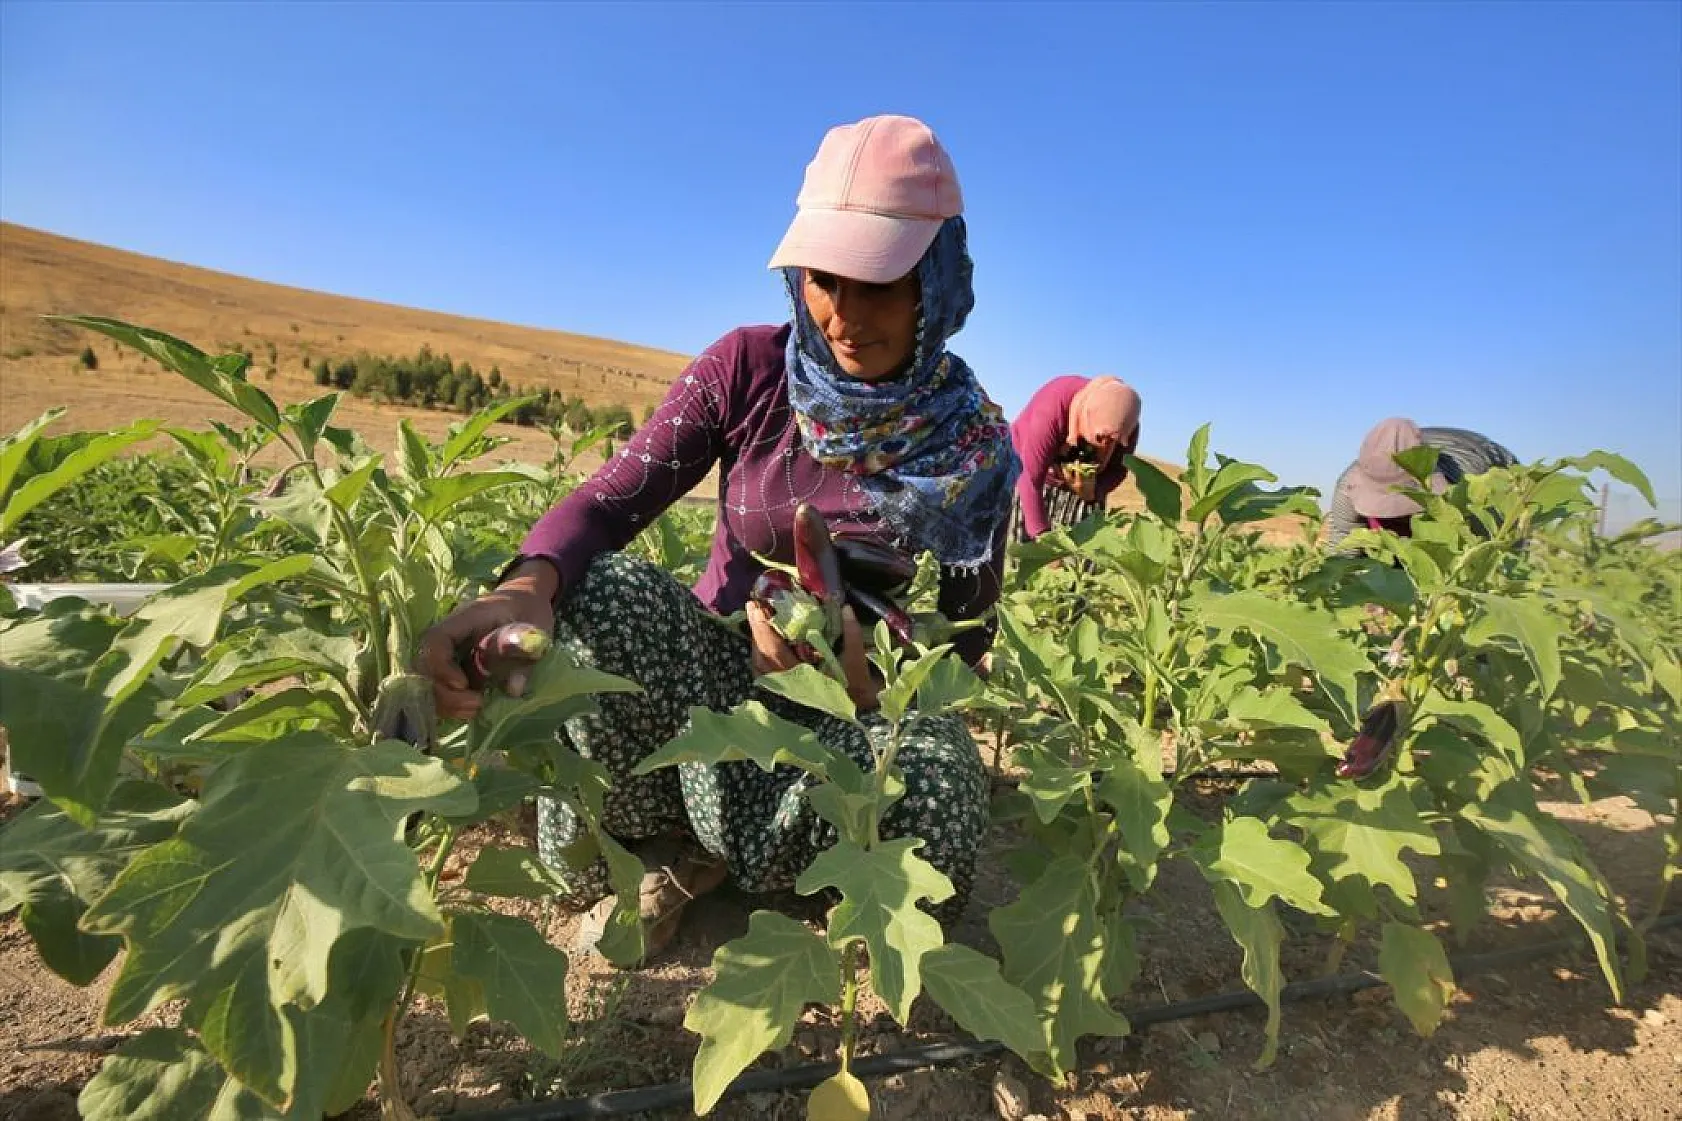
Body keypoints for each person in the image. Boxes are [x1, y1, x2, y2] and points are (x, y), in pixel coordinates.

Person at [417, 114, 1020, 964]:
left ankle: (724, 860)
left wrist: (875, 689)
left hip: (843, 721)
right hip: (700, 691)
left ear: (941, 280)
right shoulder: (748, 369)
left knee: (946, 796)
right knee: (599, 593)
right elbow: (609, 502)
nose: (844, 317)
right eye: (825, 278)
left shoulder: (973, 446)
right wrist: (523, 588)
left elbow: (963, 645)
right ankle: (677, 842)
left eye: (881, 283)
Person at [1323, 417, 1518, 550]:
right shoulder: (1348, 486)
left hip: (1491, 460)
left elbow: (1483, 548)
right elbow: (1342, 548)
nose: (1391, 512)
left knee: (1502, 552)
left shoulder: (1469, 480)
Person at [1010, 375, 1142, 541]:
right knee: (1026, 550)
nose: (1105, 447)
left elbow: (1118, 470)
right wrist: (1046, 541)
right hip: (1031, 475)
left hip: (1083, 492)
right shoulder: (1053, 407)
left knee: (1080, 555)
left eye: (1113, 442)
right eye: (1100, 438)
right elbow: (1029, 478)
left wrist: (1094, 491)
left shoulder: (1127, 423)